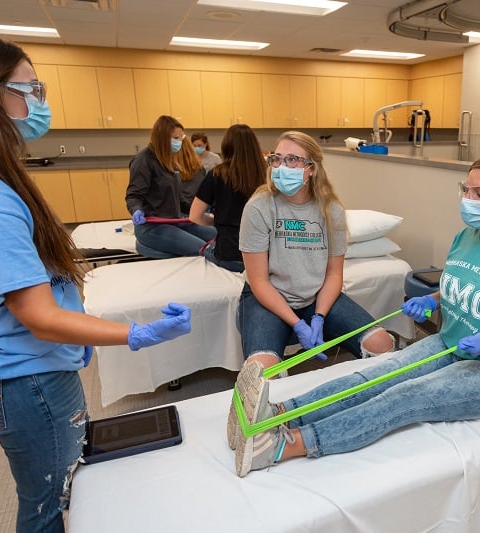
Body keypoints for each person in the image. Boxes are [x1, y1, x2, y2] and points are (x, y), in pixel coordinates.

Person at [0, 33, 192, 532]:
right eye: (29, 88)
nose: (39, 101)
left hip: (9, 372)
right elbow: (40, 316)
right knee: (51, 505)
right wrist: (137, 334)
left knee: (51, 494)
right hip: (26, 380)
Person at [231, 153, 480, 478]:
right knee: (376, 375)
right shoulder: (468, 237)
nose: (469, 199)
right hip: (450, 342)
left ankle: (282, 446)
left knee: (405, 396)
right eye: (467, 189)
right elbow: (465, 285)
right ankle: (279, 413)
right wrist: (432, 300)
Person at [225, 131, 396, 451]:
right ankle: (269, 431)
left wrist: (317, 317)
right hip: (267, 299)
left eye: (292, 160)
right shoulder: (259, 207)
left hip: (318, 298)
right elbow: (259, 281)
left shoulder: (330, 211)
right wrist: (297, 323)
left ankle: (368, 406)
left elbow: (334, 275)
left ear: (311, 168)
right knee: (260, 374)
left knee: (382, 343)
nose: (281, 166)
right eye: (277, 159)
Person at [126, 115, 217, 256]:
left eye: (181, 137)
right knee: (205, 249)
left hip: (174, 221)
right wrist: (136, 210)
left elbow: (178, 199)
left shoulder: (169, 161)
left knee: (220, 233)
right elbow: (133, 196)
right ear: (162, 138)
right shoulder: (143, 161)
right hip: (152, 227)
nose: (179, 142)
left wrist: (200, 211)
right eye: (176, 138)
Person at [189, 124, 266, 273]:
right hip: (262, 258)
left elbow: (194, 216)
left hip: (229, 257)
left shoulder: (217, 174)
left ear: (227, 146)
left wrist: (216, 219)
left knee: (205, 248)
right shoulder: (267, 174)